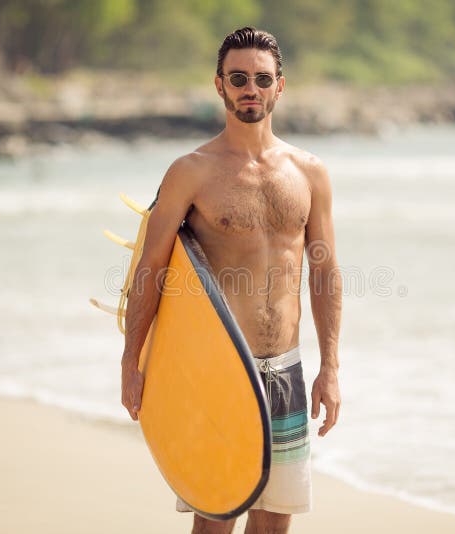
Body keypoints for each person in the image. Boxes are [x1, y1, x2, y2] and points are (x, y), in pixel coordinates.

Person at [120, 27, 342, 534]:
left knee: (273, 527)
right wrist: (131, 361)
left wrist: (330, 366)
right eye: (238, 78)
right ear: (218, 85)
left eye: (261, 79)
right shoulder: (190, 172)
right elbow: (150, 270)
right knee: (215, 518)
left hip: (285, 372)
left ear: (279, 87)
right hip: (219, 370)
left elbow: (325, 272)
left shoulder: (310, 173)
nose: (250, 89)